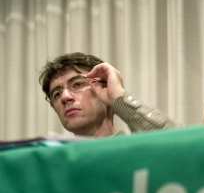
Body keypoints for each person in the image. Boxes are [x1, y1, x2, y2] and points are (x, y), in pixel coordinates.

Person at [39, 53, 178, 137]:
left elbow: (180, 144)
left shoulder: (138, 151)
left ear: (105, 87)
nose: (65, 97)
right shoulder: (57, 167)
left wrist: (118, 97)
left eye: (77, 84)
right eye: (57, 94)